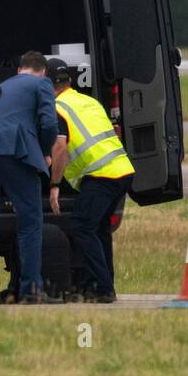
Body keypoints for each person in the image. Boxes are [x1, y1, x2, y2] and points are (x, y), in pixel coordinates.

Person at [46, 58, 135, 303]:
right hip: (122, 170)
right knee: (100, 229)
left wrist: (54, 184)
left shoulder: (57, 108)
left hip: (100, 174)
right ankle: (97, 285)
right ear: (69, 81)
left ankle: (102, 288)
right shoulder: (89, 101)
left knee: (83, 228)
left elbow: (60, 148)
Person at [0, 51, 62, 304]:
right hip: (14, 151)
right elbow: (48, 124)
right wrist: (46, 152)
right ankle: (30, 289)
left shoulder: (3, 86)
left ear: (19, 70)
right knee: (30, 222)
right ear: (43, 70)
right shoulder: (42, 84)